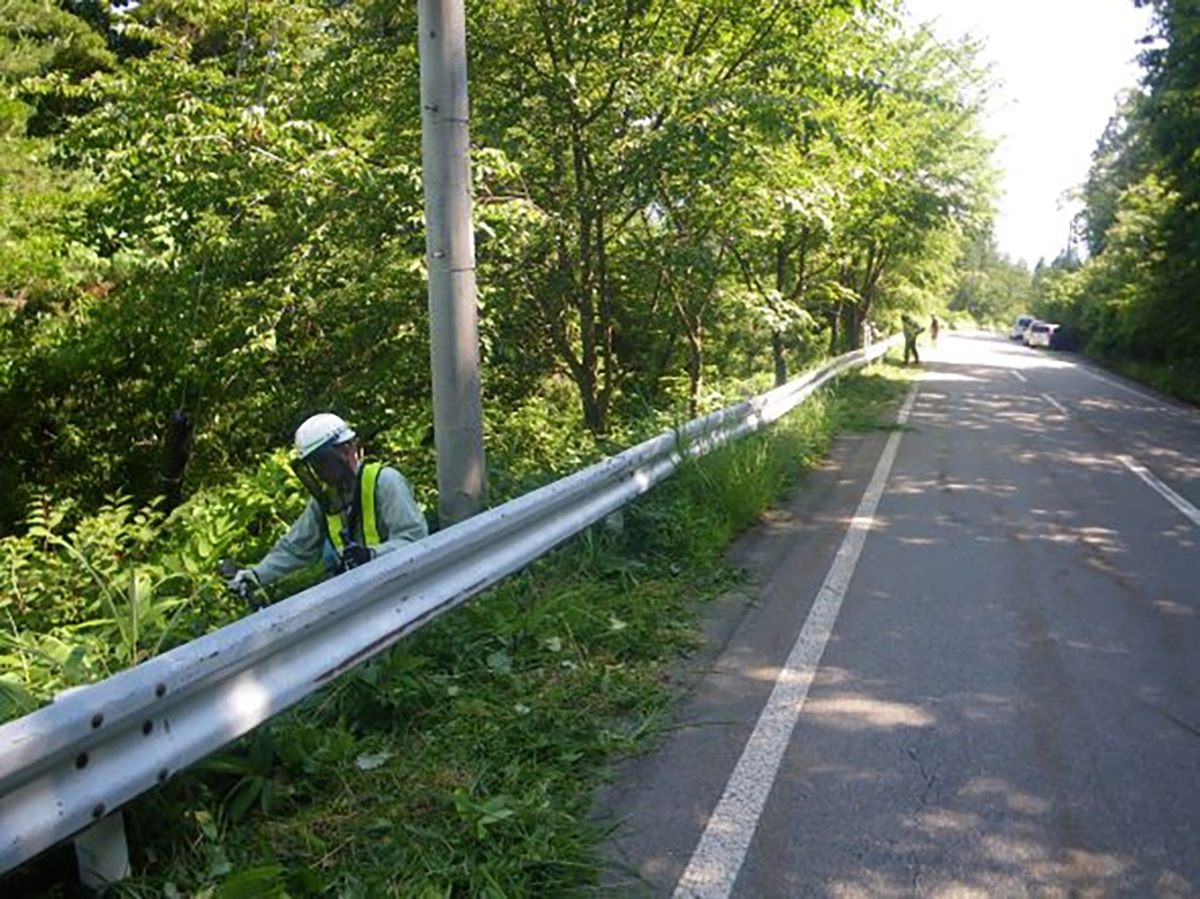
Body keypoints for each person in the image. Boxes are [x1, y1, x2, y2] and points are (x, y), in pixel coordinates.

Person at [226, 413, 429, 599]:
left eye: (322, 462)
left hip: (401, 589)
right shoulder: (326, 500)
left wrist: (372, 554)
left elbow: (415, 540)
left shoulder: (385, 482)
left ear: (346, 451)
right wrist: (256, 575)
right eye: (313, 465)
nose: (319, 472)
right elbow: (295, 547)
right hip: (359, 595)